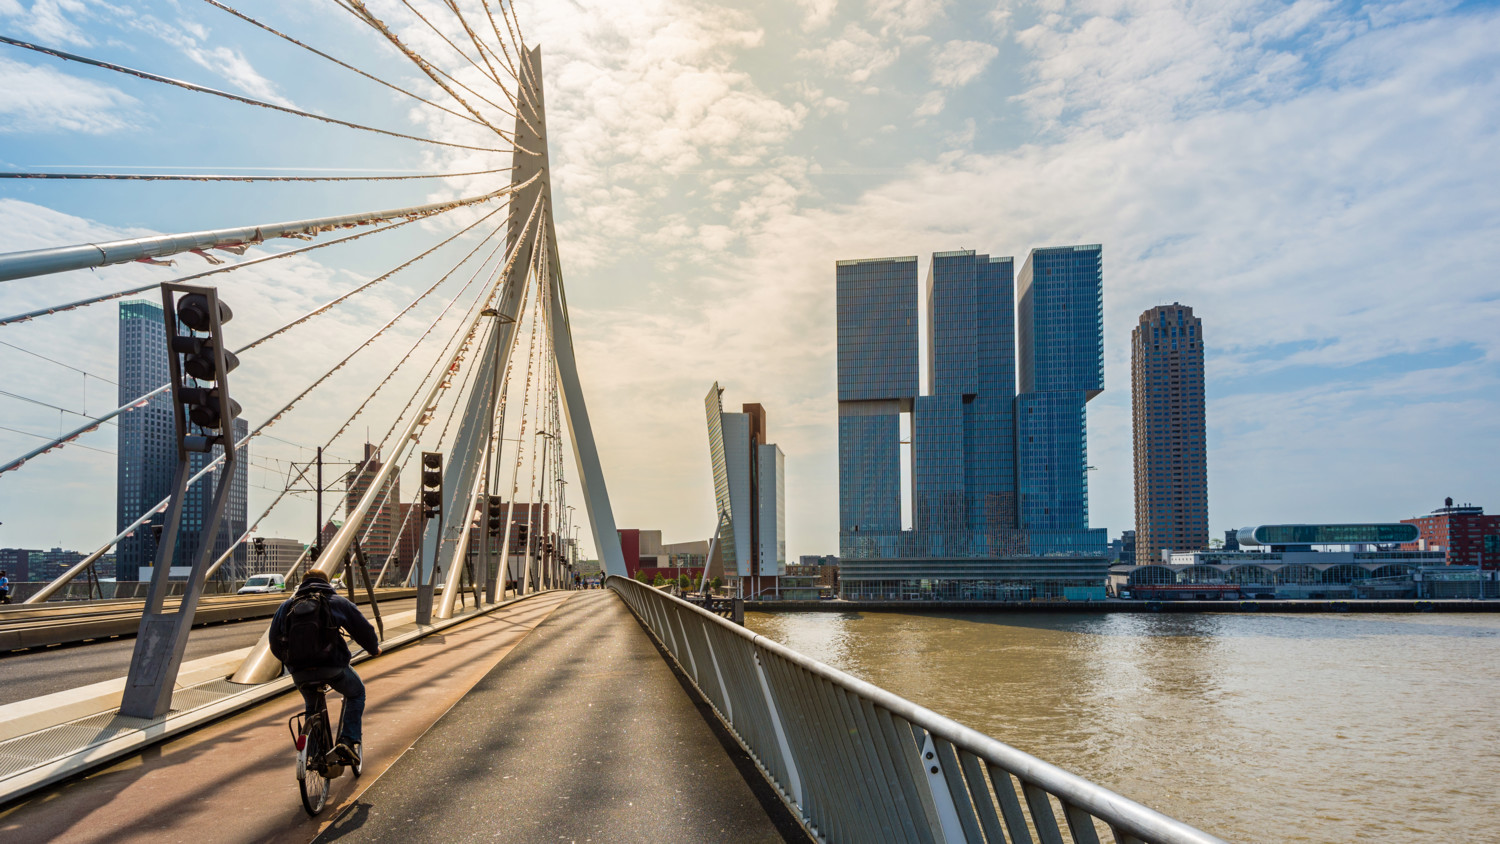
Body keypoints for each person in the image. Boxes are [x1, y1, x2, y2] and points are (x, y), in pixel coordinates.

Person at [269, 570, 380, 766]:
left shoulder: (286, 606)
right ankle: (347, 741)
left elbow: (274, 643)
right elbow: (363, 629)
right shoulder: (335, 601)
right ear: (327, 583)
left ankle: (313, 754)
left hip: (300, 672)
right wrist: (373, 649)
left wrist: (291, 662)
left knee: (312, 706)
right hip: (332, 667)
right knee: (356, 693)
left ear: (301, 584)